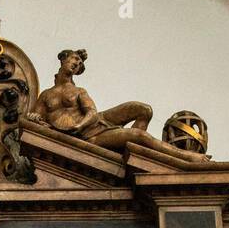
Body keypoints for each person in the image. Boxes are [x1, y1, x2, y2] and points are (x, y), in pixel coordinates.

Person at [29, 49, 210, 165]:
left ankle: (133, 156)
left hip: (92, 124)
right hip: (89, 138)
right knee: (137, 135)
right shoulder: (46, 95)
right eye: (74, 59)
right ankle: (187, 157)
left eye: (79, 63)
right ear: (63, 59)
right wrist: (35, 119)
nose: (77, 63)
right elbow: (33, 119)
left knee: (143, 110)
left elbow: (91, 112)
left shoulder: (78, 91)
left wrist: (79, 125)